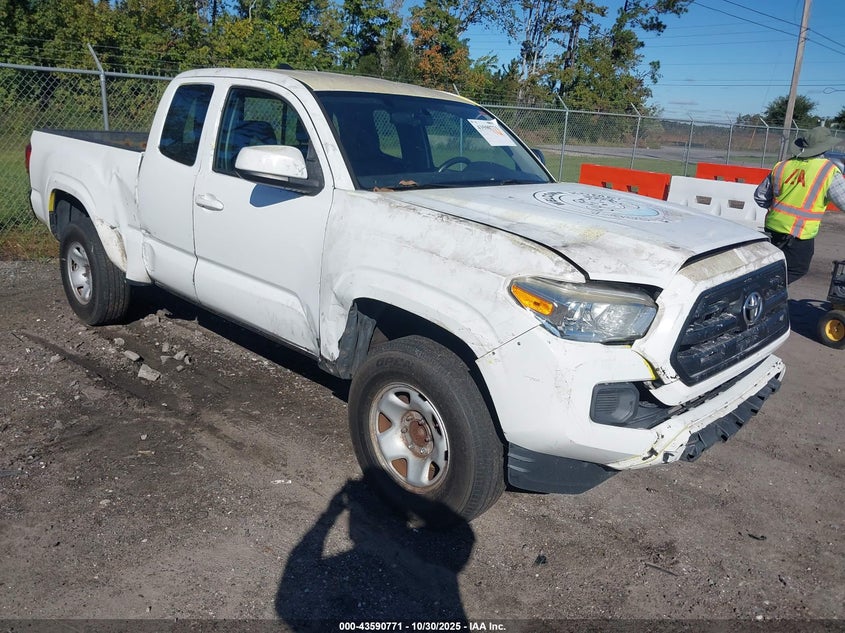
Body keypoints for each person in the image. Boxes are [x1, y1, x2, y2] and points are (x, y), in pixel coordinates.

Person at [755, 126, 845, 284]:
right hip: (798, 234)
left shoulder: (782, 166)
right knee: (796, 269)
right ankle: (764, 293)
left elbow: (760, 197)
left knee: (772, 266)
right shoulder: (827, 170)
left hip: (772, 229)